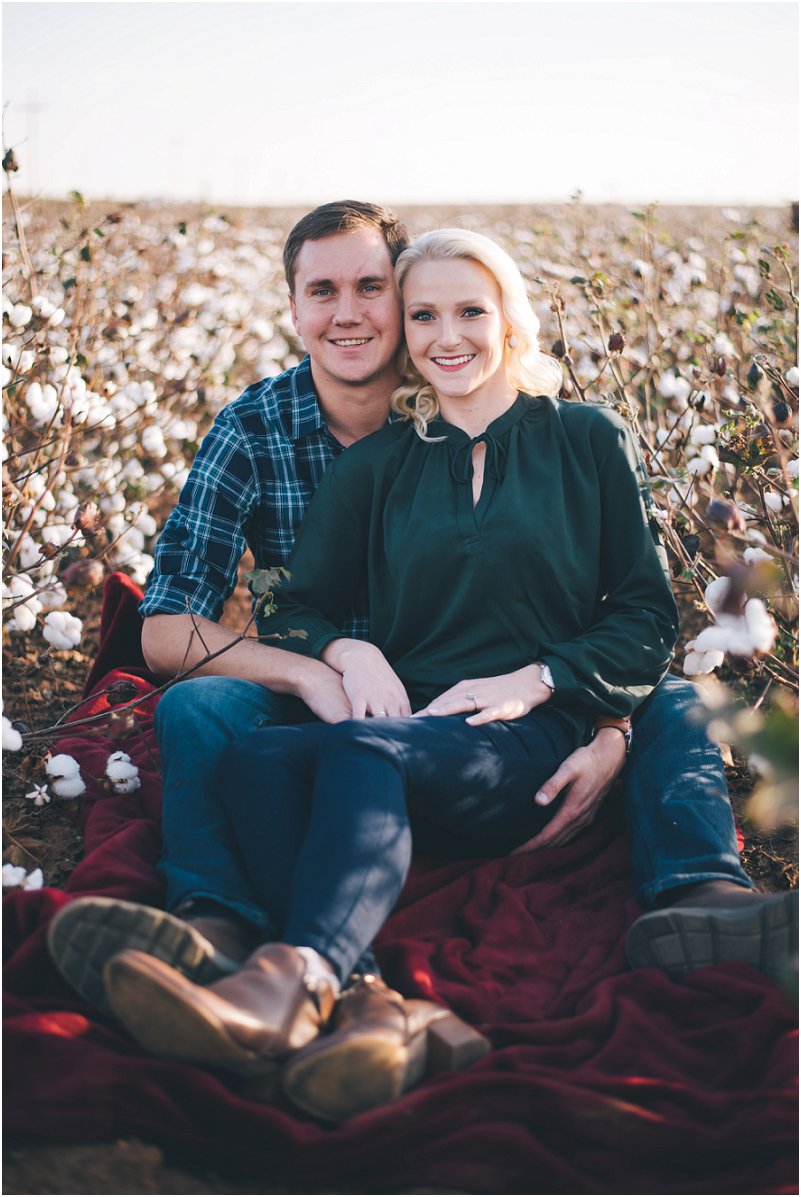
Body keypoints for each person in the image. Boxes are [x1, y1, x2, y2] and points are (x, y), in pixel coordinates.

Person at [48, 204, 796, 1116]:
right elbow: (249, 612)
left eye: (460, 310)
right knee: (238, 740)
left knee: (671, 698)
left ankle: (298, 975)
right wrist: (333, 655)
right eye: (422, 313)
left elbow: (638, 610)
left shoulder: (580, 439)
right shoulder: (347, 453)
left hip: (501, 720)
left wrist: (577, 704)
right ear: (295, 307)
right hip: (386, 714)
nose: (431, 331)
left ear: (507, 320)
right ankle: (327, 980)